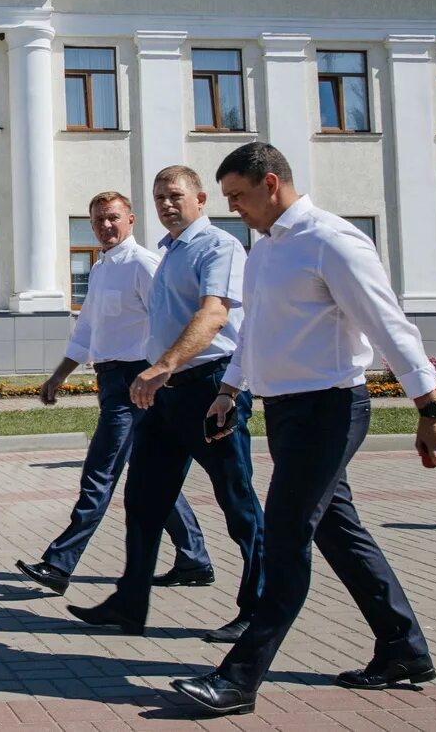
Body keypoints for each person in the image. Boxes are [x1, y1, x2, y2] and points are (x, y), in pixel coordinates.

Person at [172, 143, 436, 717]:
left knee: (285, 534)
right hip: (286, 411)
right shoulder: (266, 250)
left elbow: (387, 321)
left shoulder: (331, 239)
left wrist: (429, 406)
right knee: (337, 530)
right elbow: (257, 334)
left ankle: (240, 678)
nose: (234, 209)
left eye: (238, 197)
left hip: (331, 408)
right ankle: (403, 646)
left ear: (270, 183)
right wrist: (229, 390)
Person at [67, 166, 264, 643]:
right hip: (165, 392)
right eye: (159, 197)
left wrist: (164, 365)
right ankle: (130, 602)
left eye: (175, 196)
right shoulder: (166, 252)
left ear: (200, 199)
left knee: (236, 501)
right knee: (143, 499)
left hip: (210, 389)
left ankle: (259, 607)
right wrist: (154, 372)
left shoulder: (219, 246)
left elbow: (213, 314)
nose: (167, 205)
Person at [16, 192, 215, 598]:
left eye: (112, 218)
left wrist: (158, 373)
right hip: (110, 381)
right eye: (97, 221)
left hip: (134, 383)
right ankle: (194, 558)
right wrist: (58, 376)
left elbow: (169, 321)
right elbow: (87, 329)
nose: (105, 226)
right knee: (153, 476)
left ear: (130, 220)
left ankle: (59, 563)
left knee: (99, 475)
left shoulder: (143, 264)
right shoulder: (101, 267)